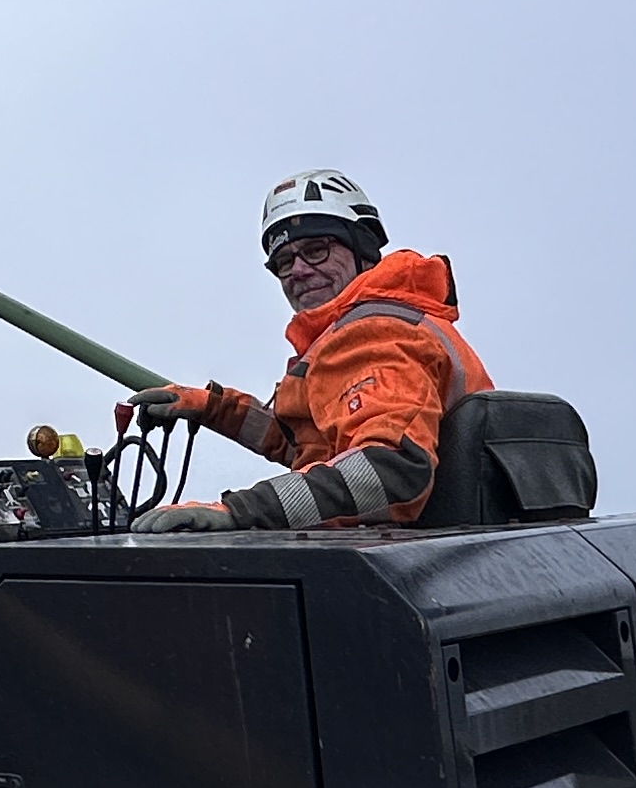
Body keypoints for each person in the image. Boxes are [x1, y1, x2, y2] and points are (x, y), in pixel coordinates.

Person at [128, 170, 491, 531]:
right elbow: (312, 446)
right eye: (284, 261)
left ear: (362, 247)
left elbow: (391, 471)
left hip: (405, 563)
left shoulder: (376, 334)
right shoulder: (363, 329)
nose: (298, 271)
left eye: (316, 250)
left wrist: (242, 511)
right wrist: (214, 409)